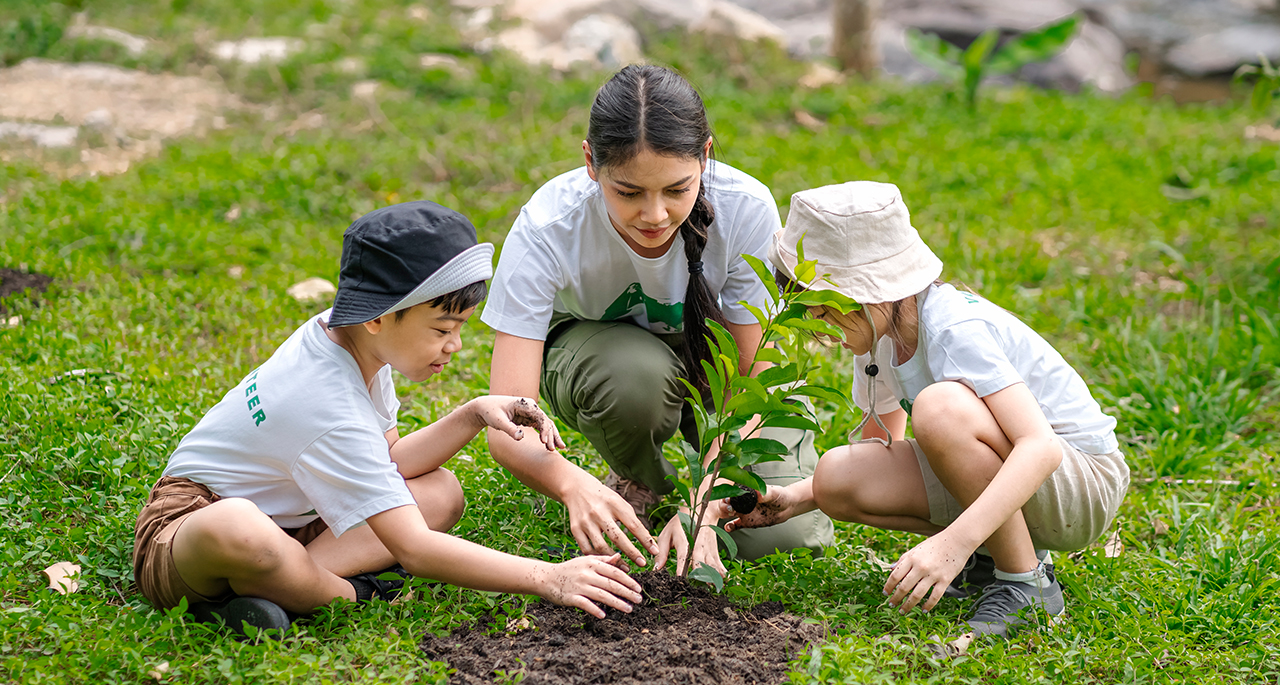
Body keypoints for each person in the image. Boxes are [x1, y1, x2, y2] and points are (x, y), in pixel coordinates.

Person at [133, 201, 642, 636]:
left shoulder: (357, 346)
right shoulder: (325, 400)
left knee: (440, 493)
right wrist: (549, 577)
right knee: (240, 527)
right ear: (379, 317)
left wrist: (472, 415)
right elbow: (415, 551)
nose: (455, 345)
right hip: (185, 533)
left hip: (294, 522)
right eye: (443, 327)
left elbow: (391, 462)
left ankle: (270, 595)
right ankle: (346, 596)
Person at [719, 181, 1130, 636]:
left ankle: (1026, 585)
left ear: (872, 291)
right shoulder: (876, 340)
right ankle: (989, 562)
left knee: (940, 408)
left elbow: (1041, 447)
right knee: (838, 475)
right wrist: (794, 500)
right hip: (1028, 481)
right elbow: (880, 457)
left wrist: (952, 543)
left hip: (1084, 483)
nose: (814, 321)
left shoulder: (953, 326)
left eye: (823, 305)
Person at [481, 64, 833, 577]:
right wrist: (570, 483)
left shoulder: (746, 209)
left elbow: (753, 375)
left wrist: (705, 501)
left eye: (676, 189)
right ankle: (643, 478)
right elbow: (505, 419)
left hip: (719, 372)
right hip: (610, 365)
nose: (654, 214)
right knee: (633, 377)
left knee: (782, 537)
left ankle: (685, 490)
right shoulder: (549, 227)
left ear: (706, 156)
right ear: (590, 163)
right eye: (628, 192)